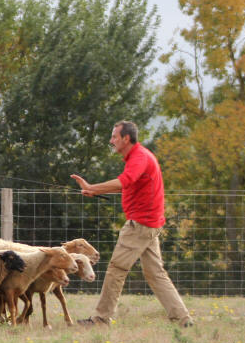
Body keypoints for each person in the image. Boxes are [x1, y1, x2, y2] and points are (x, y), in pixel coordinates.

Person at [70, 120, 193, 327]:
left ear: (126, 138)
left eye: (114, 137)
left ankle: (101, 319)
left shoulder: (139, 157)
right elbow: (128, 185)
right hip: (150, 224)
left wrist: (93, 186)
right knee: (155, 273)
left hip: (140, 225)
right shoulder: (139, 157)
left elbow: (124, 181)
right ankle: (183, 319)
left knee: (116, 269)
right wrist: (94, 190)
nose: (111, 141)